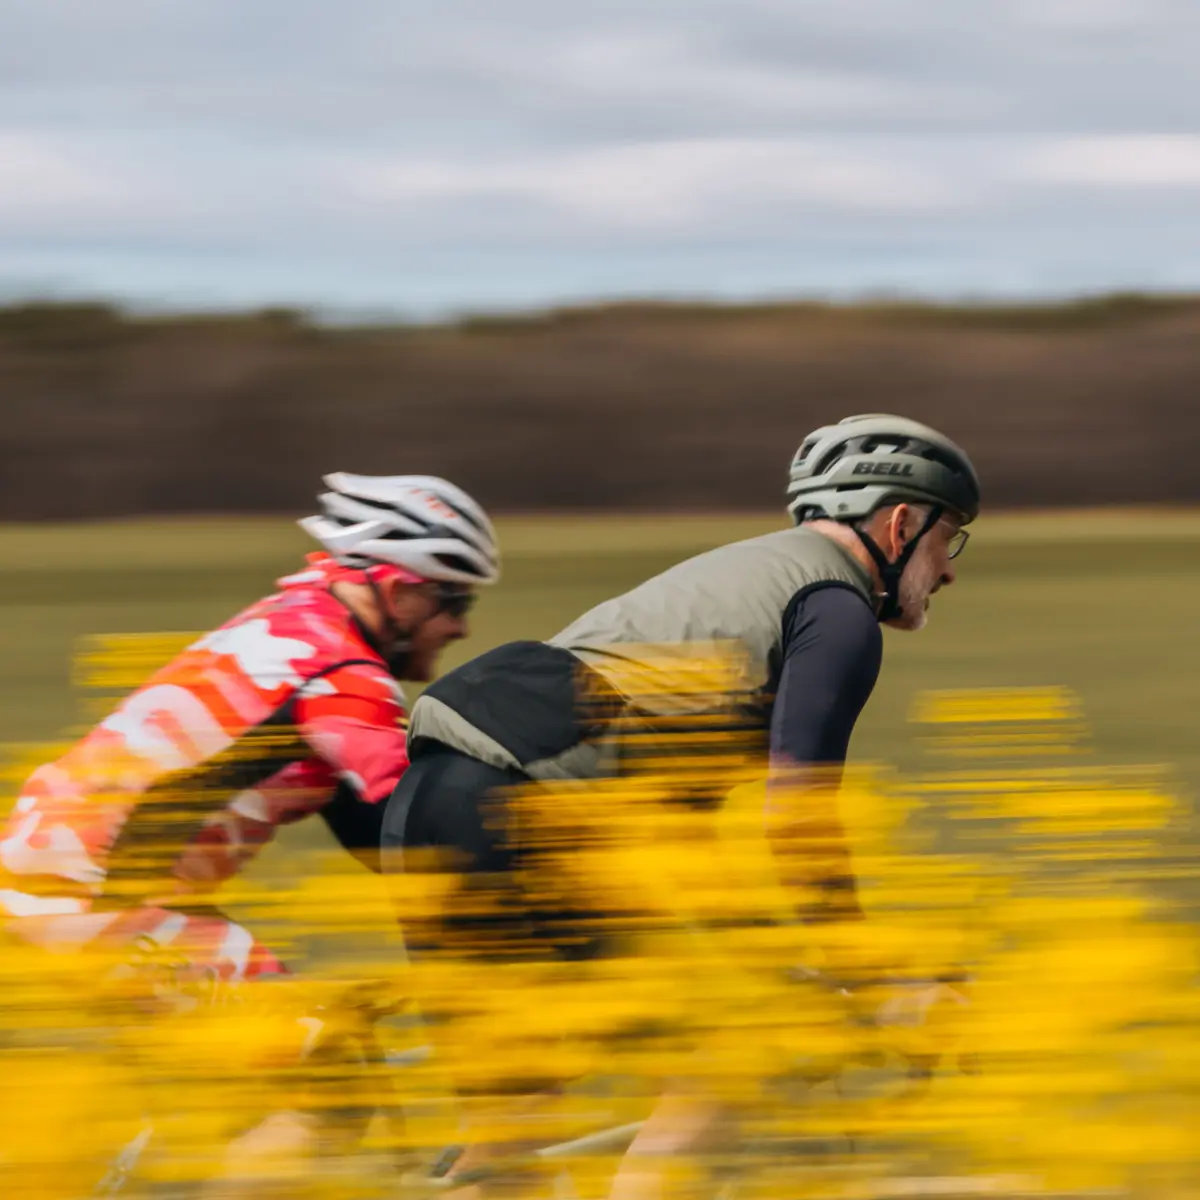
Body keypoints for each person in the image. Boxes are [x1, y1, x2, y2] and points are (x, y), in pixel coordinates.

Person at [380, 414, 981, 1197]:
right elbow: (799, 816)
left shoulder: (737, 580)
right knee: (726, 1068)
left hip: (430, 801)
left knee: (511, 1134)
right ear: (901, 522)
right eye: (949, 540)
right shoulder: (833, 610)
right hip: (533, 816)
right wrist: (865, 971)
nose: (948, 571)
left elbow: (665, 834)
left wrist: (780, 955)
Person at [0, 471, 499, 987]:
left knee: (314, 1027)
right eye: (455, 602)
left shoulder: (298, 619)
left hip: (51, 881)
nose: (460, 628)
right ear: (398, 592)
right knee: (307, 1044)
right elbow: (424, 819)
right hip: (81, 899)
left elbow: (380, 836)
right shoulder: (340, 677)